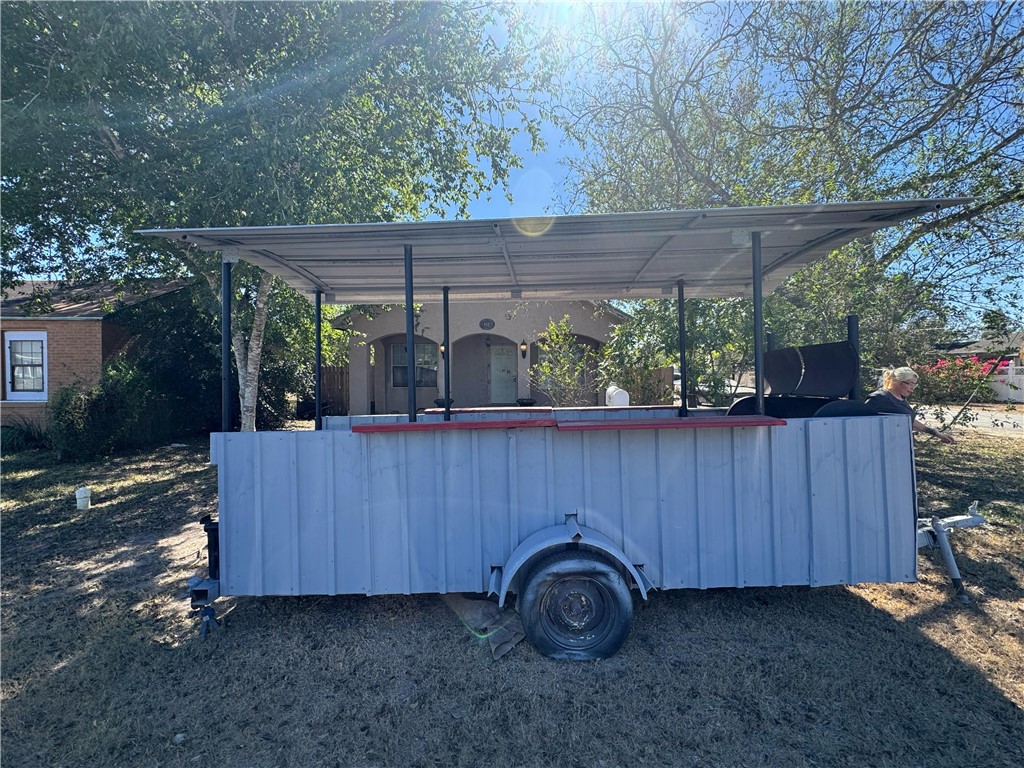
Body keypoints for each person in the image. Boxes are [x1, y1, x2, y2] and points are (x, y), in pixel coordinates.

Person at [865, 366, 955, 443]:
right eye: (910, 384)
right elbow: (864, 422)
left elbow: (910, 420)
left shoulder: (901, 398)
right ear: (897, 381)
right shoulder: (879, 398)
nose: (912, 389)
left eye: (914, 385)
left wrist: (937, 434)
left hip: (902, 445)